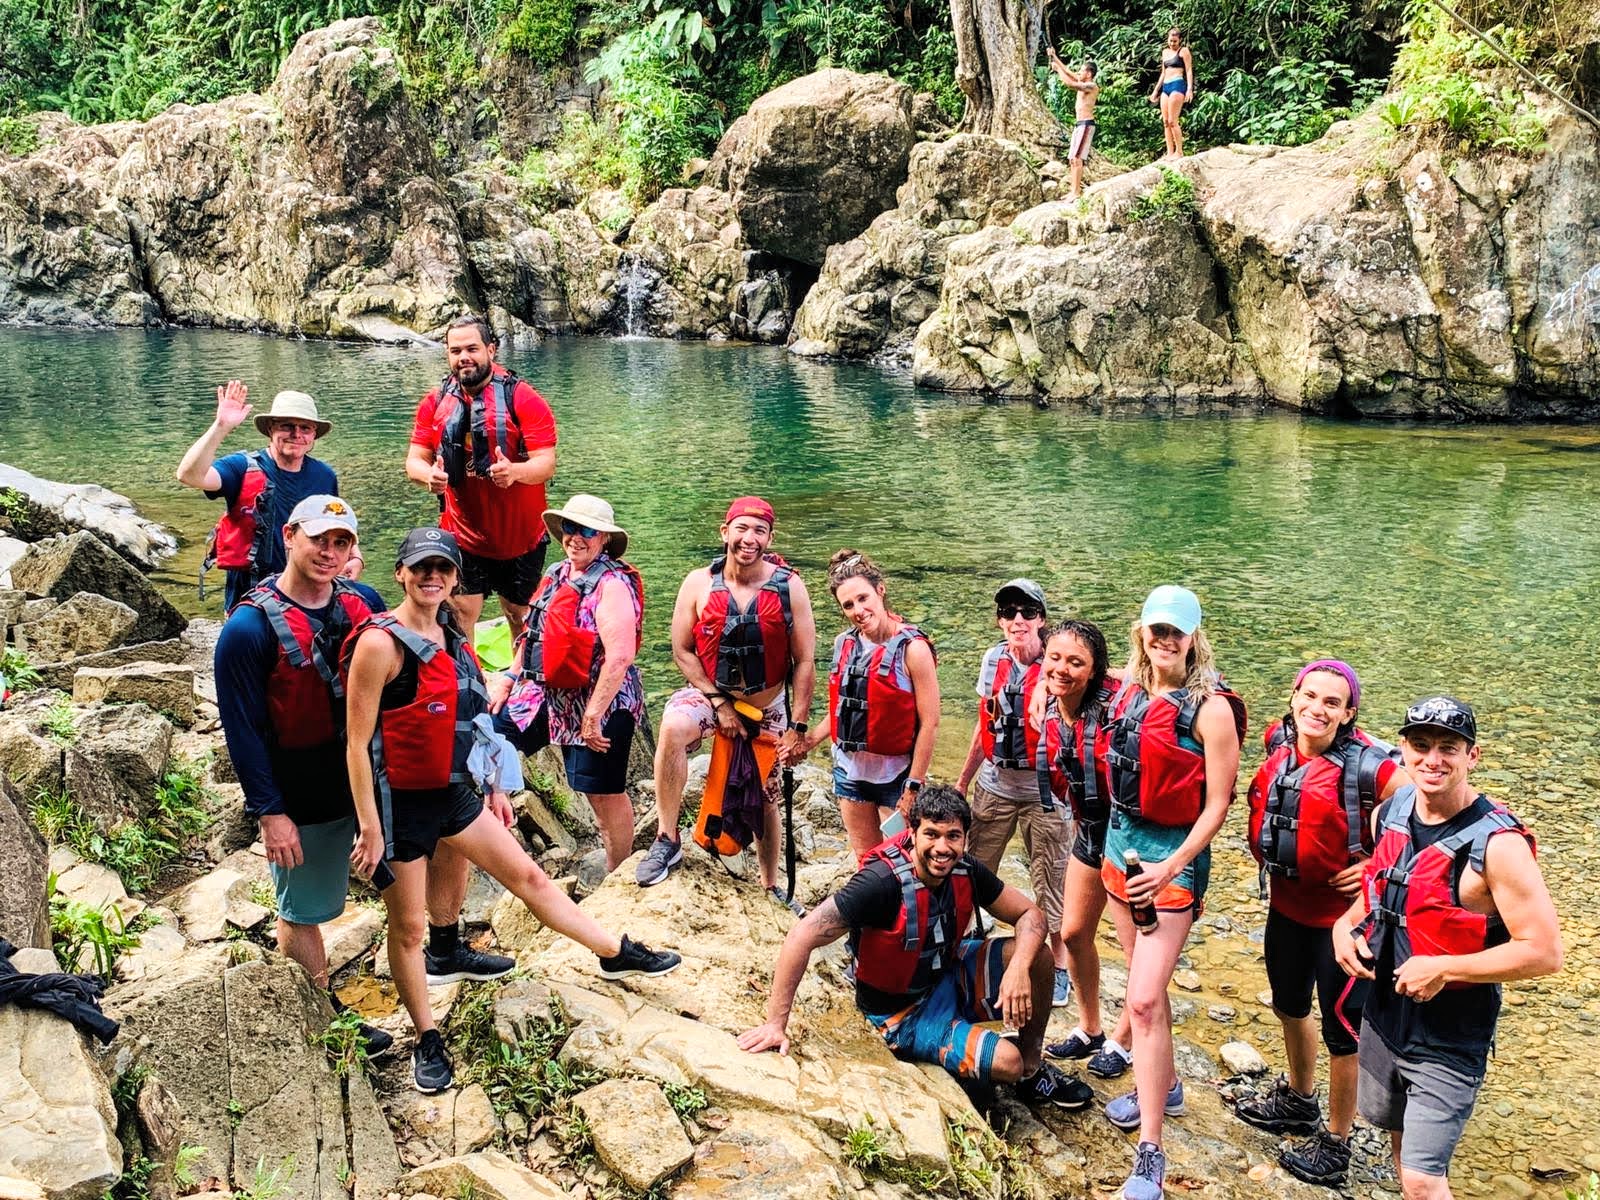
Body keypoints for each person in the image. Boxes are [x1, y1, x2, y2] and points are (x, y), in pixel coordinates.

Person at [343, 528, 681, 1094]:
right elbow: (356, 743)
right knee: (406, 929)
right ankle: (426, 1037)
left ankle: (613, 953)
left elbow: (472, 718)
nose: (432, 579)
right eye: (421, 569)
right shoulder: (380, 643)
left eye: (442, 570)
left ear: (454, 579)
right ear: (400, 573)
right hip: (397, 801)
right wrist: (369, 824)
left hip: (453, 788)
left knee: (528, 875)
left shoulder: (451, 633)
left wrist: (496, 785)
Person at [736, 785, 1093, 1110]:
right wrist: (775, 1024)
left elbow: (1031, 915)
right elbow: (804, 934)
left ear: (966, 838)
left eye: (953, 836)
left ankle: (1033, 1069)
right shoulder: (879, 884)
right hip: (903, 1014)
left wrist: (1018, 970)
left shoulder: (965, 869)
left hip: (948, 975)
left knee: (1037, 957)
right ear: (912, 834)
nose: (942, 848)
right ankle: (995, 1063)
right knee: (1006, 1063)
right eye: (932, 835)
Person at [1333, 697, 1560, 1199]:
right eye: (1420, 746)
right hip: (1386, 1015)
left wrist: (1445, 966)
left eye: (1448, 748)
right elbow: (1378, 894)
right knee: (1399, 1144)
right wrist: (1341, 929)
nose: (1432, 760)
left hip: (1450, 1037)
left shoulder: (1499, 846)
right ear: (1405, 751)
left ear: (1472, 756)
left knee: (1422, 1178)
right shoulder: (1390, 811)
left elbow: (1545, 951)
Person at [213, 496, 389, 1049]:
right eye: (319, 539)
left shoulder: (364, 602)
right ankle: (324, 1019)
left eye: (341, 542)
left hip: (368, 773)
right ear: (289, 536)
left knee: (403, 877)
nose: (329, 552)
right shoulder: (248, 629)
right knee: (302, 908)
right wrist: (271, 812)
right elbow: (241, 729)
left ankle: (436, 957)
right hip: (302, 784)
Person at [1235, 660, 1409, 1187]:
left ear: (1349, 713)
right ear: (1293, 697)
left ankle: (1336, 1143)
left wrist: (1374, 867)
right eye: (1309, 696)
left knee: (1343, 1031)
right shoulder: (1277, 744)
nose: (1317, 709)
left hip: (1344, 925)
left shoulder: (1368, 767)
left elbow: (1420, 806)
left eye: (1332, 702)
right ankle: (1298, 1098)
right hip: (1286, 910)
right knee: (1288, 1004)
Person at [1099, 585, 1244, 1200]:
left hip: (1173, 865)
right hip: (1118, 850)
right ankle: (1170, 1084)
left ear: (1193, 639)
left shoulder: (1211, 711)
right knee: (1141, 984)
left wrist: (1172, 866)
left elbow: (1217, 807)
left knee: (1144, 1004)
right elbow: (1064, 665)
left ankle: (1151, 1152)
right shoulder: (1128, 692)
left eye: (1176, 632)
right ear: (1142, 632)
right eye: (1156, 629)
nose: (1164, 640)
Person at [635, 497, 817, 907]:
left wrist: (798, 726)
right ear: (725, 532)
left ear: (770, 538)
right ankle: (667, 838)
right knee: (672, 727)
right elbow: (682, 649)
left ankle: (769, 885)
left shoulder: (789, 586)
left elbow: (804, 660)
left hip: (767, 706)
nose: (748, 539)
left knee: (768, 794)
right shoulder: (698, 583)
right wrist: (719, 704)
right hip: (711, 693)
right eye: (742, 529)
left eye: (759, 531)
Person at [489, 495, 646, 873]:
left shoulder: (612, 584)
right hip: (544, 695)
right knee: (490, 738)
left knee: (601, 794)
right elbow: (532, 634)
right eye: (571, 528)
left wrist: (592, 716)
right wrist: (509, 679)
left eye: (587, 531)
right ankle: (487, 833)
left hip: (601, 700)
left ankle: (616, 872)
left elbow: (620, 655)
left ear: (604, 538)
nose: (576, 537)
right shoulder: (557, 573)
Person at [955, 580, 1073, 1008]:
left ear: (1041, 618)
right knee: (971, 867)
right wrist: (962, 779)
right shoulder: (993, 659)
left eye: (1026, 611)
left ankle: (1058, 967)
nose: (1017, 620)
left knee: (1053, 878)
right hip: (995, 784)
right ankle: (964, 942)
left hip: (1047, 793)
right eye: (1008, 612)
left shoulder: (1060, 661)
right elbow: (982, 723)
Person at [405, 314, 558, 632]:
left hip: (521, 538)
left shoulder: (524, 399)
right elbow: (415, 461)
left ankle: (519, 680)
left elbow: (546, 463)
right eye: (455, 350)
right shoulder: (434, 403)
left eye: (472, 349)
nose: (463, 357)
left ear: (491, 350)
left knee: (520, 615)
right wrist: (428, 476)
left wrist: (515, 471)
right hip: (463, 536)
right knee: (460, 614)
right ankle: (468, 680)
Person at [1035, 619, 1135, 1082]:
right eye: (1055, 658)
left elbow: (1152, 678)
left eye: (1077, 662)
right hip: (1090, 831)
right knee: (1074, 934)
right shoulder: (1054, 711)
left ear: (1096, 671)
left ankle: (1126, 1039)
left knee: (1139, 955)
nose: (1063, 669)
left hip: (1132, 838)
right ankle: (1090, 1026)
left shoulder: (1119, 707)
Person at [800, 550, 939, 862]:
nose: (858, 610)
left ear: (880, 590)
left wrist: (913, 786)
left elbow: (930, 723)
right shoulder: (844, 644)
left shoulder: (914, 649)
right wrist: (810, 740)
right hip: (851, 773)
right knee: (868, 859)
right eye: (848, 605)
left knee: (907, 861)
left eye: (863, 598)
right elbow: (841, 709)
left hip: (897, 777)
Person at [178, 383, 357, 611]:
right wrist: (221, 427)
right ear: (271, 428)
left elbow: (338, 527)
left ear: (314, 435)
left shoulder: (324, 476)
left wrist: (354, 558)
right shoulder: (241, 467)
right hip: (250, 598)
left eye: (305, 428)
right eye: (287, 426)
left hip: (309, 596)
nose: (296, 434)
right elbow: (189, 475)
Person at [1045, 49, 1100, 198]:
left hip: (1086, 124)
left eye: (1082, 71)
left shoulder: (1091, 86)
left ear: (1089, 74)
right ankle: (1073, 191)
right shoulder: (1082, 80)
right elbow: (1069, 72)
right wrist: (1054, 57)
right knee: (1072, 159)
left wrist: (1057, 71)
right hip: (1079, 125)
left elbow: (1070, 83)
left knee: (1077, 158)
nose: (1079, 73)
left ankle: (1076, 192)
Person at [1149, 27, 1194, 161]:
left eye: (1175, 41)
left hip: (1178, 84)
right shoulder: (1165, 52)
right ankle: (1170, 152)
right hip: (1166, 86)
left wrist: (1189, 89)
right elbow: (1163, 73)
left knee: (1173, 121)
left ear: (1179, 40)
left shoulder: (1184, 51)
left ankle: (1179, 151)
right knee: (1165, 121)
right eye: (1170, 41)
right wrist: (1156, 90)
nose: (1172, 43)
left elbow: (1189, 70)